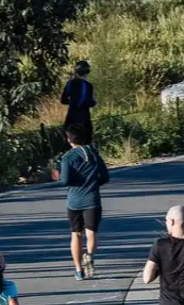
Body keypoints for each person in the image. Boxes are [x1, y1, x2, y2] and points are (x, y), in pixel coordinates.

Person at [56, 128, 109, 281]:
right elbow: (105, 176)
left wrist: (59, 177)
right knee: (91, 233)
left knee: (76, 234)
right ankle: (90, 256)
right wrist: (93, 183)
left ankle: (79, 270)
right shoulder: (93, 153)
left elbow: (65, 180)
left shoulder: (67, 158)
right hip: (92, 198)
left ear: (69, 140)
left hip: (74, 200)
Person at [60, 61, 97, 142]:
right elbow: (90, 102)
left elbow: (63, 100)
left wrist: (72, 102)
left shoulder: (69, 84)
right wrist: (94, 102)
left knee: (71, 141)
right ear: (87, 72)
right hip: (83, 118)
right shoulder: (88, 85)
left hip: (71, 117)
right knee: (85, 141)